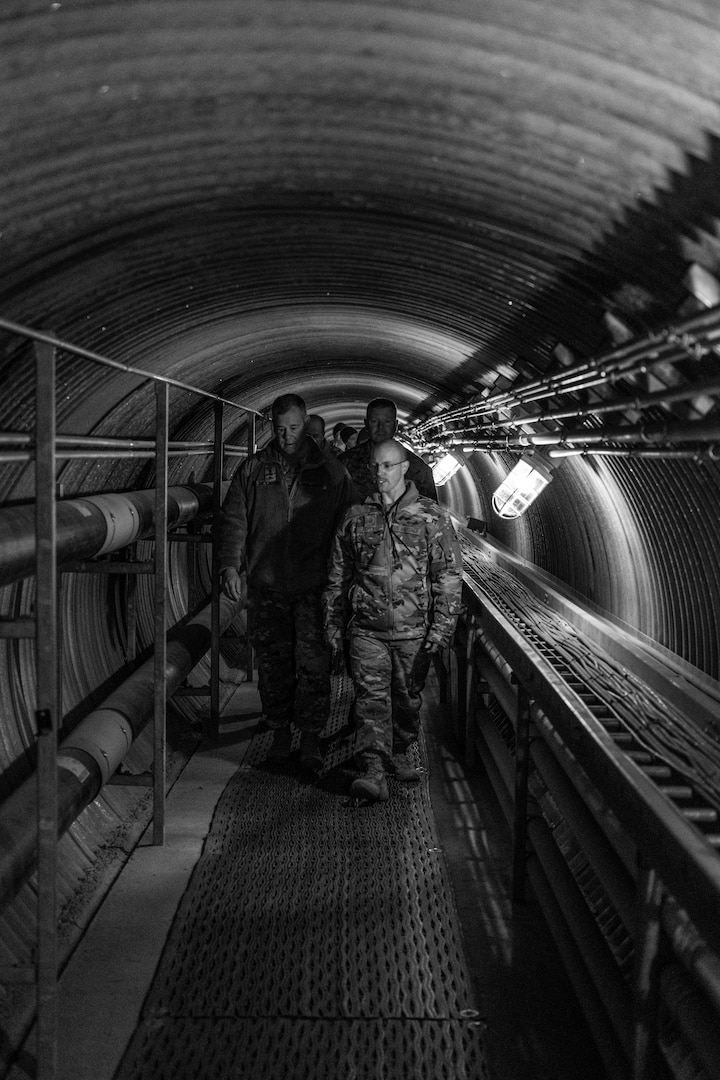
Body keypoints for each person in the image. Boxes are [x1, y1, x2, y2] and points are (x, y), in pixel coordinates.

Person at [218, 393, 352, 771]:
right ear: (270, 426)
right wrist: (230, 566)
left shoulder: (330, 471)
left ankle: (310, 738)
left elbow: (348, 524)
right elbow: (234, 520)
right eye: (280, 429)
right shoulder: (254, 469)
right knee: (274, 665)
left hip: (314, 587)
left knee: (313, 666)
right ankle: (279, 733)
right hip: (268, 586)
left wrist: (343, 580)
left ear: (305, 422)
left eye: (293, 427)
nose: (287, 435)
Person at [325, 438, 462, 801]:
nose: (379, 473)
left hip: (413, 630)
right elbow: (337, 575)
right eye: (375, 466)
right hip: (366, 629)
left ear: (404, 468)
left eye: (387, 466)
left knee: (406, 699)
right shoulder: (356, 517)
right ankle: (372, 770)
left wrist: (442, 627)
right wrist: (334, 624)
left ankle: (399, 751)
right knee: (370, 699)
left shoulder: (431, 516)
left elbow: (447, 574)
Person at [340, 397, 437, 503]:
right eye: (374, 421)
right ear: (366, 424)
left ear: (395, 425)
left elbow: (430, 511)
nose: (380, 427)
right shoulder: (345, 464)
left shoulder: (418, 469)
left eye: (387, 422)